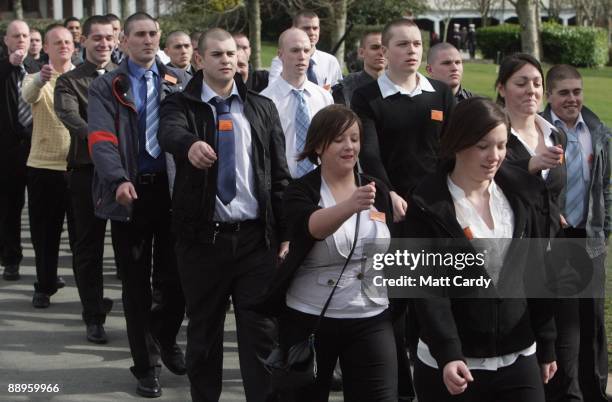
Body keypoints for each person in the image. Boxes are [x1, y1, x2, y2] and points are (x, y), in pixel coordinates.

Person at [157, 27, 291, 402]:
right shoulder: (179, 104)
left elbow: (279, 175)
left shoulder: (261, 108)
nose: (227, 60)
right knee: (203, 335)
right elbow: (169, 134)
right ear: (199, 60)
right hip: (203, 240)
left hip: (254, 242)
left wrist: (285, 234)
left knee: (261, 334)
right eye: (217, 54)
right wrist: (190, 145)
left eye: (232, 54)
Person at [405, 97, 557, 402]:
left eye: (501, 146)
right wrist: (448, 353)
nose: (495, 156)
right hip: (454, 366)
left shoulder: (522, 192)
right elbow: (426, 290)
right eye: (483, 146)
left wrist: (547, 340)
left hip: (519, 357)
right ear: (459, 143)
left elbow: (537, 270)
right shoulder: (426, 204)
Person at [256, 104, 399, 401]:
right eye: (339, 139)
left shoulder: (377, 189)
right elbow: (312, 228)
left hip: (371, 314)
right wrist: (350, 205)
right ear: (319, 145)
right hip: (312, 318)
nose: (350, 146)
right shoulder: (300, 190)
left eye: (355, 138)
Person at [87, 12, 189, 398]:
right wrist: (118, 180)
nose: (147, 41)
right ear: (124, 41)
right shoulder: (107, 85)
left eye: (153, 34)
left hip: (171, 192)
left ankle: (164, 335)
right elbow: (100, 138)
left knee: (175, 280)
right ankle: (146, 365)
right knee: (135, 285)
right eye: (139, 35)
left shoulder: (178, 82)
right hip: (128, 193)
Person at [541, 64, 610, 402]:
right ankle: (564, 392)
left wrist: (604, 226)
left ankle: (595, 389)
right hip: (554, 238)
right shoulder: (540, 131)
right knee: (559, 319)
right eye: (564, 92)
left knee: (592, 319)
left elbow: (606, 186)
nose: (572, 99)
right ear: (549, 95)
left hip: (590, 237)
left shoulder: (597, 132)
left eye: (577, 92)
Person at [351, 18, 455, 224]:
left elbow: (453, 146)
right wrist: (388, 193)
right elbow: (369, 154)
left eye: (417, 44)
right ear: (385, 51)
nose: (412, 50)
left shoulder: (441, 93)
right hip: (393, 205)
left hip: (441, 200)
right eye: (403, 44)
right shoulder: (366, 97)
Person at [54, 15, 117, 344]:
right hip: (87, 173)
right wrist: (104, 141)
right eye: (96, 38)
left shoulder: (127, 78)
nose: (103, 43)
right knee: (88, 248)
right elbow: (69, 116)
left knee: (129, 248)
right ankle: (93, 315)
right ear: (84, 42)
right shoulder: (70, 81)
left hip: (124, 174)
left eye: (108, 37)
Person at [22, 25, 75, 308]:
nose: (63, 46)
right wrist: (41, 80)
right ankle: (44, 285)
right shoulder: (35, 77)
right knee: (45, 233)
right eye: (57, 42)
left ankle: (91, 300)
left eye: (67, 42)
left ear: (74, 46)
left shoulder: (84, 78)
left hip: (78, 168)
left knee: (82, 238)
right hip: (43, 167)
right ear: (46, 48)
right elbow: (28, 96)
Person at [496, 53, 565, 241]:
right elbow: (487, 180)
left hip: (553, 251)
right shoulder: (490, 135)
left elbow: (554, 192)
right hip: (511, 250)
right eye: (521, 83)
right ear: (501, 89)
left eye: (537, 83)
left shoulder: (556, 135)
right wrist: (530, 164)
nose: (531, 90)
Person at [261, 28, 333, 178]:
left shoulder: (324, 98)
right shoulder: (265, 101)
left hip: (321, 182)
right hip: (282, 185)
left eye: (306, 51)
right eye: (295, 50)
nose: (302, 56)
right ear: (280, 54)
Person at [0, 20, 41, 281]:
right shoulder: (2, 68)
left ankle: (44, 270)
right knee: (9, 208)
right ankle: (11, 259)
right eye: (15, 36)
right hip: (7, 151)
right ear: (6, 40)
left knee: (41, 211)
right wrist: (9, 65)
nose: (21, 40)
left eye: (25, 35)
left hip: (37, 148)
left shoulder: (38, 68)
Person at [269, 10, 342, 90]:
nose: (312, 33)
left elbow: (339, 94)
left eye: (315, 28)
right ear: (294, 29)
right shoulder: (281, 61)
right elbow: (273, 91)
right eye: (306, 28)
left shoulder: (330, 61)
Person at [332, 30, 385, 107]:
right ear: (361, 53)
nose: (381, 53)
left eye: (384, 48)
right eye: (375, 48)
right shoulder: (346, 87)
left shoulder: (400, 85)